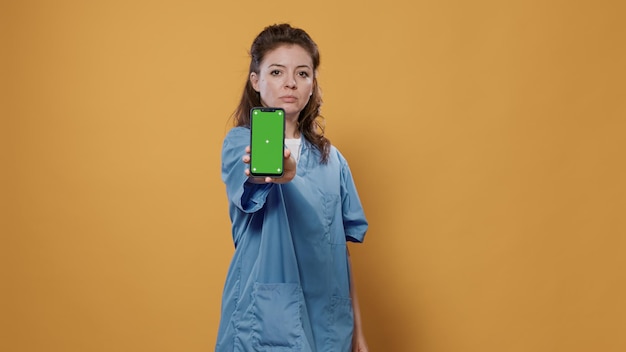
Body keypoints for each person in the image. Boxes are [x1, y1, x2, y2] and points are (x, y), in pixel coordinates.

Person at [216, 23, 369, 352]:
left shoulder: (332, 160)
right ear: (256, 81)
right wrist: (277, 173)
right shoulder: (241, 143)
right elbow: (256, 179)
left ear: (313, 84)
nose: (290, 82)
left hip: (330, 321)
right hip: (266, 317)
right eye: (276, 71)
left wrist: (358, 332)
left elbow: (342, 250)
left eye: (302, 73)